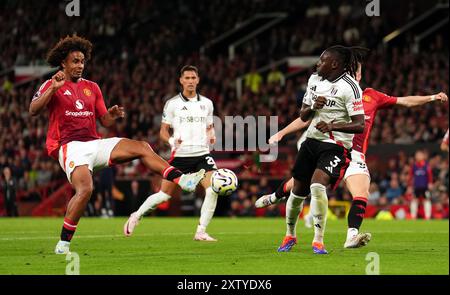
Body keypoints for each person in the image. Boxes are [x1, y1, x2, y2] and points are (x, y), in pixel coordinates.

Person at [29, 35, 205, 255]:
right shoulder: (52, 83)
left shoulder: (92, 88)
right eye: (75, 61)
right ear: (63, 62)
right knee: (86, 189)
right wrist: (53, 89)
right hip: (69, 146)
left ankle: (183, 179)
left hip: (94, 144)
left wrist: (111, 115)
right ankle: (64, 243)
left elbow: (104, 121)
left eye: (82, 61)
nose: (80, 65)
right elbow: (33, 110)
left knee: (141, 146)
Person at [256, 61, 448, 248]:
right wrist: (282, 133)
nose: (356, 76)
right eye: (353, 72)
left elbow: (404, 101)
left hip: (355, 156)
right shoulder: (331, 94)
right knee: (298, 185)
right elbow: (305, 119)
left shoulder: (372, 96)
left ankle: (351, 236)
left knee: (361, 192)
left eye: (357, 72)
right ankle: (275, 196)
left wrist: (431, 97)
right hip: (331, 148)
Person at [273, 45, 367, 254]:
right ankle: (290, 235)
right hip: (311, 142)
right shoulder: (314, 79)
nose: (318, 63)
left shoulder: (350, 87)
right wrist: (313, 106)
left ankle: (318, 241)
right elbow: (304, 115)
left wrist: (333, 126)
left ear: (334, 64)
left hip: (336, 146)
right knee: (297, 193)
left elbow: (360, 124)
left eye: (322, 60)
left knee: (317, 185)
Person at [124, 65, 220, 241]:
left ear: (198, 80)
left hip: (202, 154)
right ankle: (136, 215)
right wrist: (170, 141)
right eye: (187, 78)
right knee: (164, 195)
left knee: (213, 190)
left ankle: (201, 231)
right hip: (181, 155)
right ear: (181, 80)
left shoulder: (207, 103)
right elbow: (163, 131)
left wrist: (212, 135)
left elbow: (209, 127)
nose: (190, 81)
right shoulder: (172, 104)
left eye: (193, 78)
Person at [409, 150, 433, 219]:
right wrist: (410, 186)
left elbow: (430, 175)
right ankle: (413, 216)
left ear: (423, 156)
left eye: (420, 155)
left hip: (425, 186)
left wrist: (430, 183)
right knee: (414, 200)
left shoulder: (426, 165)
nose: (418, 156)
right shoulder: (414, 166)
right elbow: (411, 176)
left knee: (427, 200)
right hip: (416, 186)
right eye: (417, 155)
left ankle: (428, 217)